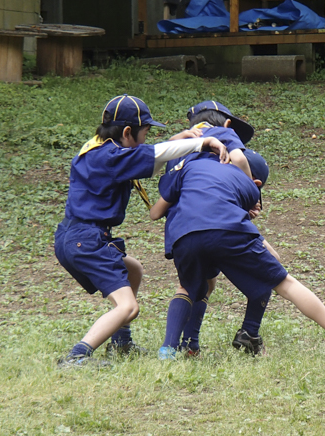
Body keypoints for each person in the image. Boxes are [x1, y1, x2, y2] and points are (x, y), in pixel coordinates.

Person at [54, 94, 230, 368]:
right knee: (128, 307)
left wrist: (180, 139)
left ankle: (121, 343)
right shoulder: (111, 158)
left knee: (132, 269)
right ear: (127, 132)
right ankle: (78, 354)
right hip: (86, 240)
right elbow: (154, 155)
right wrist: (204, 141)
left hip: (72, 236)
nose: (147, 139)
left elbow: (147, 156)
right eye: (145, 133)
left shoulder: (98, 150)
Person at [149, 150, 325, 360]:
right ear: (255, 183)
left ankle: (176, 348)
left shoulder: (191, 164)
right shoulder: (242, 182)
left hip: (183, 235)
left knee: (190, 287)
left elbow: (158, 211)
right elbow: (229, 218)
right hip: (225, 231)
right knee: (282, 281)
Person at [162, 101, 277, 357]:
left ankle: (184, 345)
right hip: (218, 225)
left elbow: (160, 204)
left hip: (182, 229)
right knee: (272, 266)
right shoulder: (224, 144)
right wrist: (250, 192)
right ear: (226, 126)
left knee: (197, 284)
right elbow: (236, 158)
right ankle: (249, 331)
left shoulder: (180, 152)